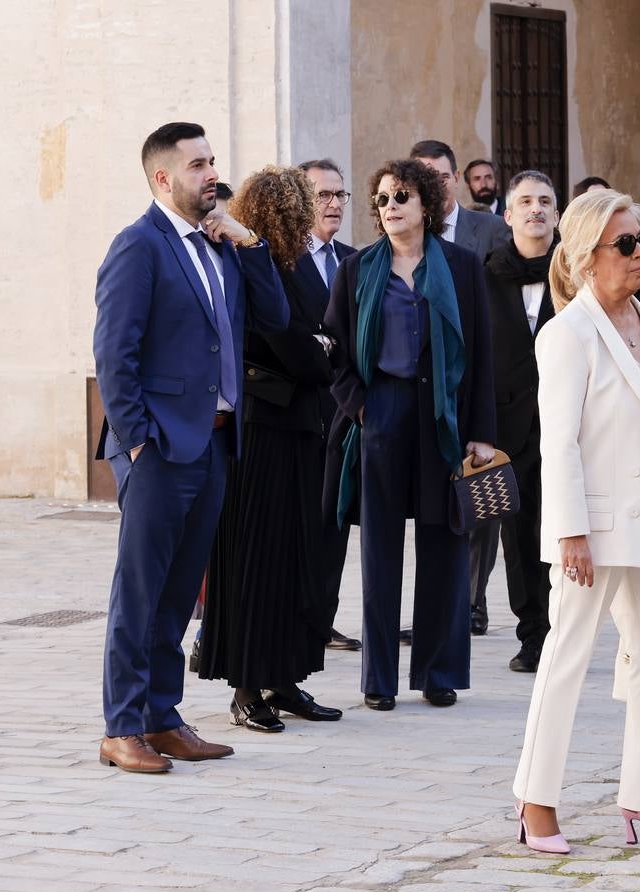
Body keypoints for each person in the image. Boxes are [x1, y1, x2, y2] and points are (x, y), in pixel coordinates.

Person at [513, 189, 640, 854]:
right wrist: (569, 531)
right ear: (584, 257)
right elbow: (557, 441)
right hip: (595, 527)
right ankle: (536, 802)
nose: (637, 254)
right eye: (623, 244)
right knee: (566, 658)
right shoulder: (565, 335)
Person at [93, 121, 288, 773]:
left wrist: (249, 241)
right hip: (159, 448)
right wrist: (139, 443)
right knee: (141, 591)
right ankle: (123, 727)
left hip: (215, 444)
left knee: (180, 592)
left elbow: (277, 320)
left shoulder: (222, 246)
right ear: (162, 178)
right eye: (197, 164)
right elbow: (114, 355)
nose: (211, 173)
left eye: (212, 161)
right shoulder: (138, 247)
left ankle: (161, 716)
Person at [323, 158, 495, 710]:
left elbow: (483, 355)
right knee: (379, 549)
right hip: (383, 413)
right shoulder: (357, 270)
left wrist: (482, 433)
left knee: (445, 541)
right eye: (382, 200)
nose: (391, 207)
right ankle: (378, 680)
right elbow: (335, 351)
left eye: (401, 197)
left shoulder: (463, 267)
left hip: (444, 414)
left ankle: (439, 671)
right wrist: (361, 407)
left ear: (426, 204)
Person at [196, 166, 342, 732]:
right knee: (255, 560)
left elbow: (328, 336)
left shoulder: (297, 261)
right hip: (260, 432)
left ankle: (284, 679)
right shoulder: (246, 263)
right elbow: (301, 345)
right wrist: (319, 350)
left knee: (295, 558)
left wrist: (320, 348)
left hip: (302, 426)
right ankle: (246, 688)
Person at [410, 139, 508, 638]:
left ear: (455, 180)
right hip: (423, 389)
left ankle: (473, 599)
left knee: (479, 494)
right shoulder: (399, 231)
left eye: (440, 176)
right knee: (434, 503)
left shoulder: (488, 230)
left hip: (478, 377)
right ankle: (439, 603)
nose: (432, 185)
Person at [481, 170, 562, 673]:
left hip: (569, 422)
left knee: (569, 529)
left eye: (546, 202)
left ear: (557, 215)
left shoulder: (579, 273)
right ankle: (532, 633)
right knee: (519, 534)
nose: (536, 209)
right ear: (508, 215)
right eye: (526, 202)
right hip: (507, 428)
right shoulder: (483, 274)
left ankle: (565, 629)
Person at [297, 157, 360, 653]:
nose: (334, 204)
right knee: (299, 526)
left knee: (335, 524)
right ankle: (296, 618)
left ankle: (323, 619)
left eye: (340, 195)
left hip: (344, 417)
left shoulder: (355, 260)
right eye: (323, 195)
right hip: (299, 412)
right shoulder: (280, 260)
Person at [412, 140, 510, 266]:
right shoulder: (403, 233)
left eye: (443, 178)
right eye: (427, 179)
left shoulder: (493, 228)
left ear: (456, 178)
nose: (436, 188)